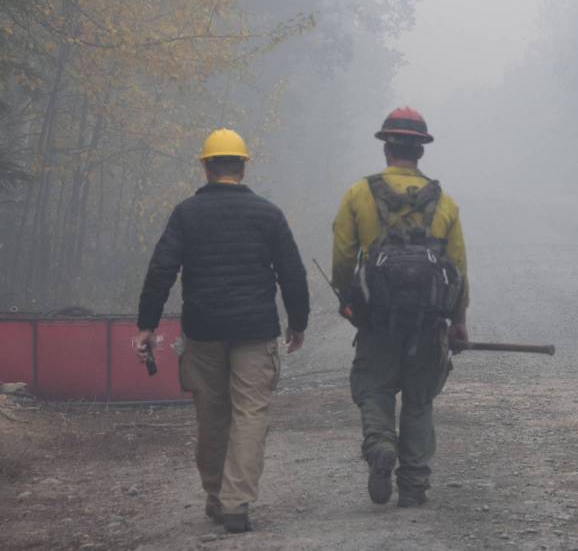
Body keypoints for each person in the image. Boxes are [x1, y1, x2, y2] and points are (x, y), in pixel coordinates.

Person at [134, 128, 309, 534]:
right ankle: (236, 503)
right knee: (250, 414)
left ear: (206, 166)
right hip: (255, 330)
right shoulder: (268, 214)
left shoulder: (186, 214)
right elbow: (292, 275)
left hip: (204, 330)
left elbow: (162, 269)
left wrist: (147, 324)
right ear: (243, 167)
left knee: (211, 414)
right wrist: (297, 323)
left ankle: (215, 495)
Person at [331, 107, 470, 508]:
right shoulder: (444, 201)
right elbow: (458, 269)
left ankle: (379, 445)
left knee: (374, 387)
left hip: (376, 320)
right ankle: (413, 484)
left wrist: (349, 299)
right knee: (419, 398)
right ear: (420, 152)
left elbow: (342, 254)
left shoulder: (359, 194)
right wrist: (458, 320)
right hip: (428, 322)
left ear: (387, 147)